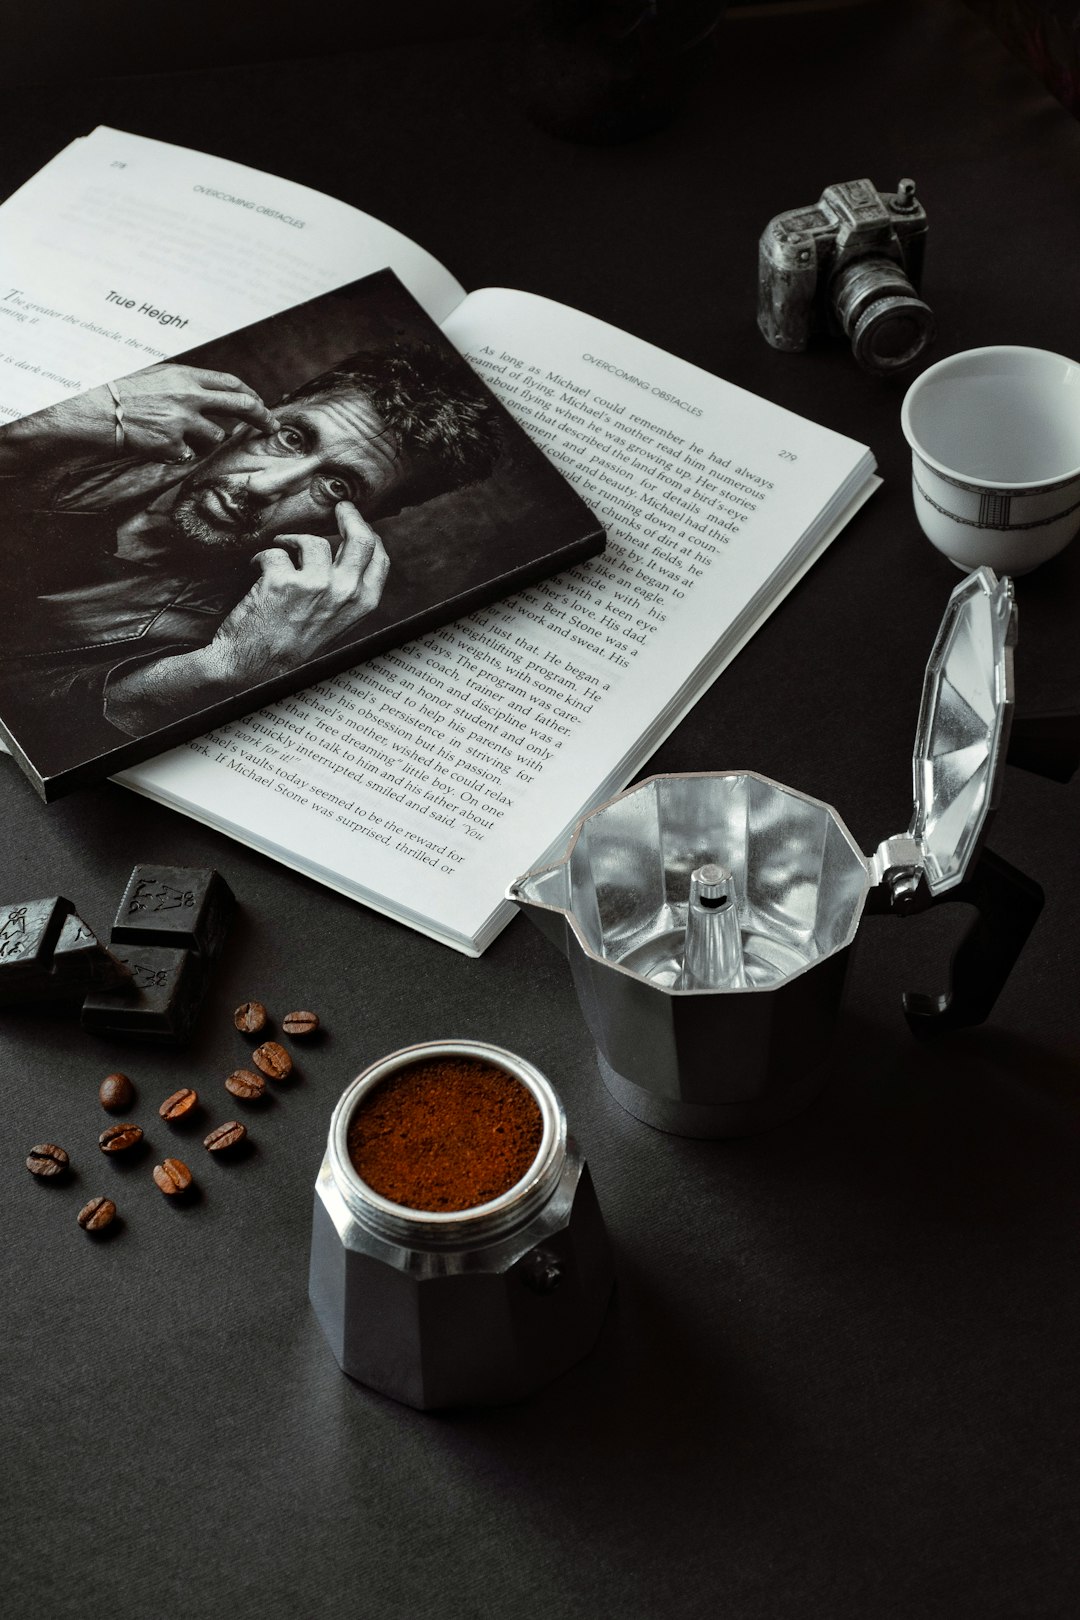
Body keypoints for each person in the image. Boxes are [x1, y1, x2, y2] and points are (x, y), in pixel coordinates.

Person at [0, 345, 500, 758]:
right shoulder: (105, 423)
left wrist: (225, 671)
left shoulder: (257, 631)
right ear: (262, 412)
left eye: (336, 486)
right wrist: (36, 426)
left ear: (367, 522)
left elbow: (44, 741)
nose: (266, 485)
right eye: (292, 437)